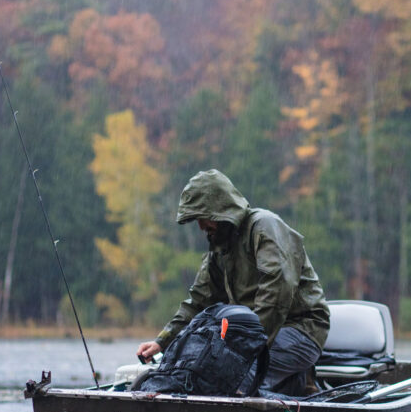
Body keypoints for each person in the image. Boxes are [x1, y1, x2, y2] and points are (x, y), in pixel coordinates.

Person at [137, 169, 330, 396]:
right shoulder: (220, 248)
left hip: (300, 328)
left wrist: (248, 347)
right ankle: (294, 383)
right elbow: (198, 301)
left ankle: (288, 387)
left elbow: (276, 292)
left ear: (219, 210)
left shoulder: (264, 227)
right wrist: (163, 342)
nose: (200, 226)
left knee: (233, 376)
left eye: (202, 217)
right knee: (201, 369)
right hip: (250, 334)